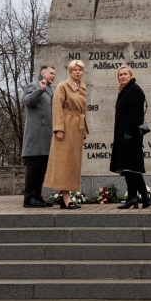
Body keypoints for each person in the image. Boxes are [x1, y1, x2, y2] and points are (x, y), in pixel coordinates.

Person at [44, 59, 88, 208]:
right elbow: (57, 107)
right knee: (63, 163)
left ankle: (66, 198)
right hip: (66, 126)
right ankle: (66, 197)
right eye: (75, 69)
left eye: (80, 70)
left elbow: (83, 111)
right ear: (70, 71)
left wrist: (84, 130)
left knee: (72, 164)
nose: (77, 72)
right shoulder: (63, 86)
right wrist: (58, 129)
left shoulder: (82, 88)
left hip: (77, 128)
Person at [109, 65, 151, 209]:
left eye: (125, 74)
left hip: (130, 135)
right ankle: (145, 198)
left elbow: (136, 114)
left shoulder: (134, 89)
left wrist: (128, 132)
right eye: (120, 74)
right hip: (124, 134)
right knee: (132, 168)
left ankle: (132, 197)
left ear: (131, 75)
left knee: (130, 167)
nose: (122, 76)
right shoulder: (125, 89)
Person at [21, 65, 56, 208]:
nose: (53, 75)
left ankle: (37, 196)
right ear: (43, 73)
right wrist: (39, 90)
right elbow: (28, 101)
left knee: (41, 169)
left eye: (54, 74)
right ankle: (28, 198)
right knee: (34, 168)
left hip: (45, 137)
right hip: (35, 137)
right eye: (51, 73)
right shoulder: (35, 85)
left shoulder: (49, 89)